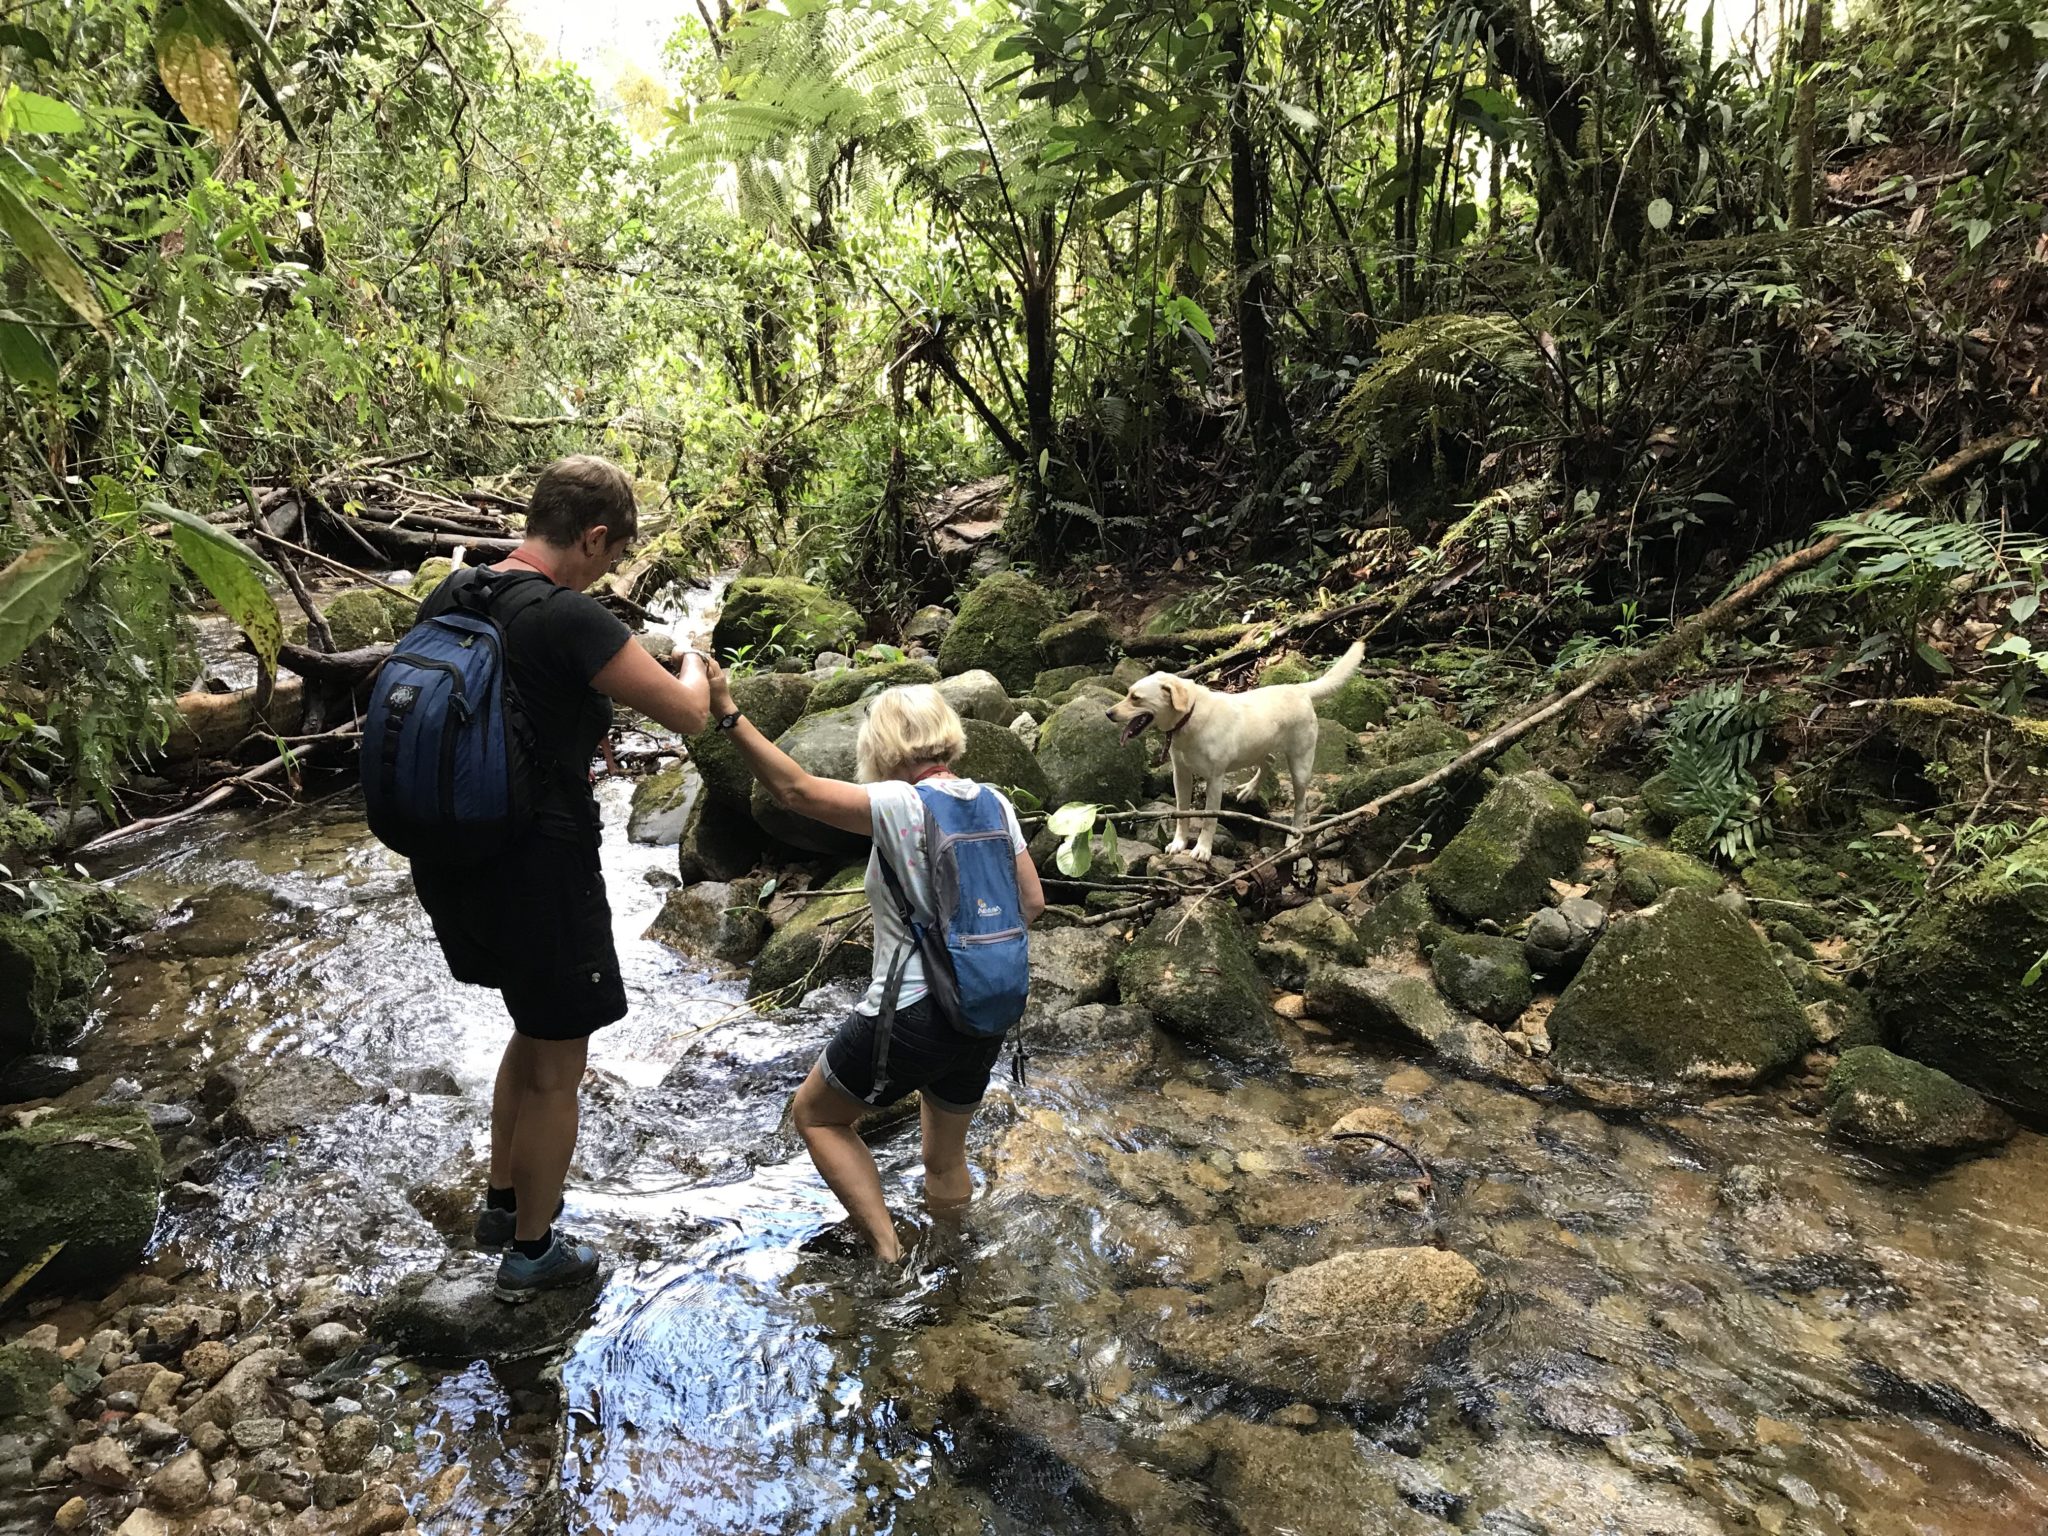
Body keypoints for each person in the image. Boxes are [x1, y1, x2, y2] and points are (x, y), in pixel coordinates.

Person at [409, 455, 710, 1302]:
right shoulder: (567, 617)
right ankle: (534, 1254)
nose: (606, 573)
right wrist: (695, 656)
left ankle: (504, 1203)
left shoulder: (454, 595)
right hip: (537, 864)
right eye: (610, 559)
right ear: (593, 535)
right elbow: (685, 712)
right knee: (559, 1064)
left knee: (529, 1027)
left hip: (451, 855)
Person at [706, 671, 1045, 1266]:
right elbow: (1032, 904)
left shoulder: (898, 803)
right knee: (945, 1159)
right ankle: (952, 1261)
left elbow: (797, 792)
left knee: (817, 1116)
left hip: (914, 1010)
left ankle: (888, 1254)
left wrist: (729, 713)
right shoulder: (996, 801)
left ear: (882, 745)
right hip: (988, 1010)